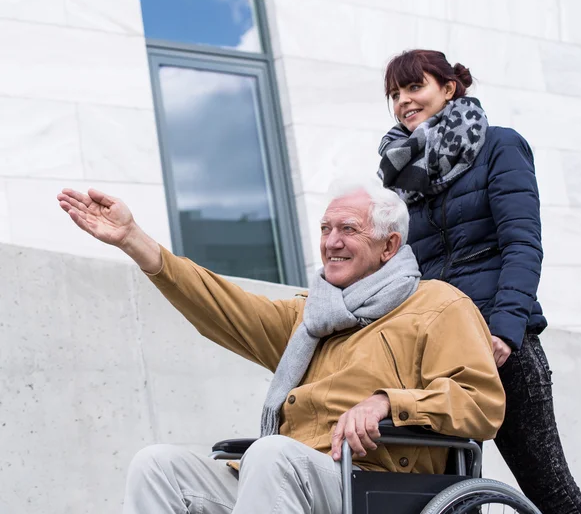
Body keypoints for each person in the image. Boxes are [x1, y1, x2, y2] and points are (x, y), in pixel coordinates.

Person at [57, 180, 504, 514]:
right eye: (326, 228)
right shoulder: (311, 317)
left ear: (389, 245)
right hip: (288, 475)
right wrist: (135, 240)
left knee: (270, 454)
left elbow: (481, 403)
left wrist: (390, 402)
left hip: (378, 482)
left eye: (348, 229)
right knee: (157, 466)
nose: (331, 241)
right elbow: (222, 306)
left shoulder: (438, 304)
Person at [377, 48, 581, 514]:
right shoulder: (399, 179)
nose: (403, 101)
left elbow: (522, 245)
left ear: (449, 88)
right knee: (441, 499)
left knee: (548, 490)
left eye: (415, 87)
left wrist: (505, 330)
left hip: (500, 345)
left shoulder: (499, 145)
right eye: (395, 93)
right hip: (436, 355)